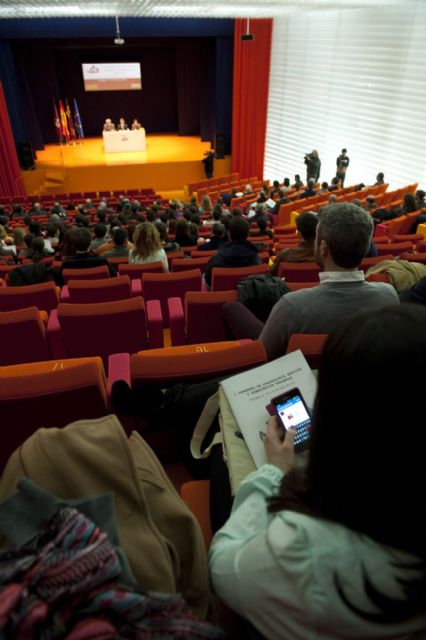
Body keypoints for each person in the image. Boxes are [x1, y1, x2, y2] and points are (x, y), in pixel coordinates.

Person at [209, 304, 426, 640]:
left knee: (222, 464)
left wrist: (273, 473)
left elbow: (223, 566)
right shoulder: (382, 292)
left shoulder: (302, 547)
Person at [223, 203, 399, 360]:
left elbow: (263, 356)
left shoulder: (292, 306)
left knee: (231, 307)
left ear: (323, 248)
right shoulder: (389, 296)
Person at [204, 217, 261, 289]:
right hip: (248, 295)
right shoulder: (257, 259)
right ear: (247, 235)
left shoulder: (217, 258)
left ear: (229, 234)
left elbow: (208, 281)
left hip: (222, 296)